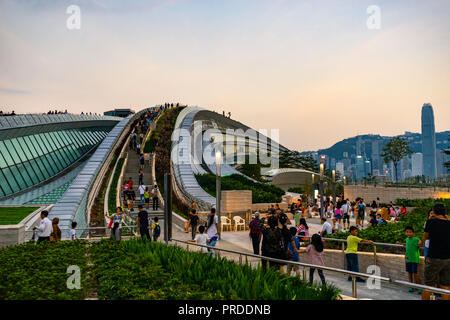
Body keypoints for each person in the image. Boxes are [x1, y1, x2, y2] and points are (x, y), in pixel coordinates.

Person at [421, 203, 450, 300]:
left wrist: (421, 243)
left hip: (434, 257)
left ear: (434, 212)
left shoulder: (431, 222)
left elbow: (425, 238)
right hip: (448, 259)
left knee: (428, 285)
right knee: (445, 286)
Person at [397, 226, 422, 293]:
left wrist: (420, 243)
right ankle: (411, 286)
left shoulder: (416, 239)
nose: (408, 233)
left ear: (413, 233)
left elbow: (420, 242)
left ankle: (420, 287)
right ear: (405, 233)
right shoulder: (407, 239)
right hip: (408, 259)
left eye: (410, 232)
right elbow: (407, 244)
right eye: (407, 232)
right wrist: (401, 244)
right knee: (409, 273)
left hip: (414, 259)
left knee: (415, 273)